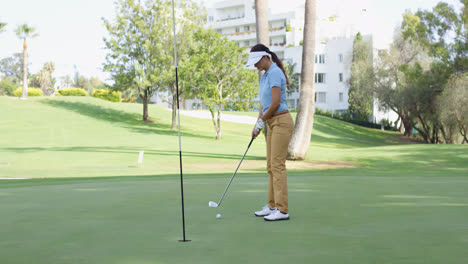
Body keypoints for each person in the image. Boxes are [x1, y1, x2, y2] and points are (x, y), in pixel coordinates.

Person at [245, 44, 294, 221]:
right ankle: (272, 205)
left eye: (256, 62)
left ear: (265, 57)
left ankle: (282, 210)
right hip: (271, 122)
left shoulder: (275, 73)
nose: (255, 66)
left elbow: (274, 104)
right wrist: (257, 124)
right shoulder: (264, 77)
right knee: (270, 166)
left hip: (281, 121)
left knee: (278, 165)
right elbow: (264, 105)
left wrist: (261, 122)